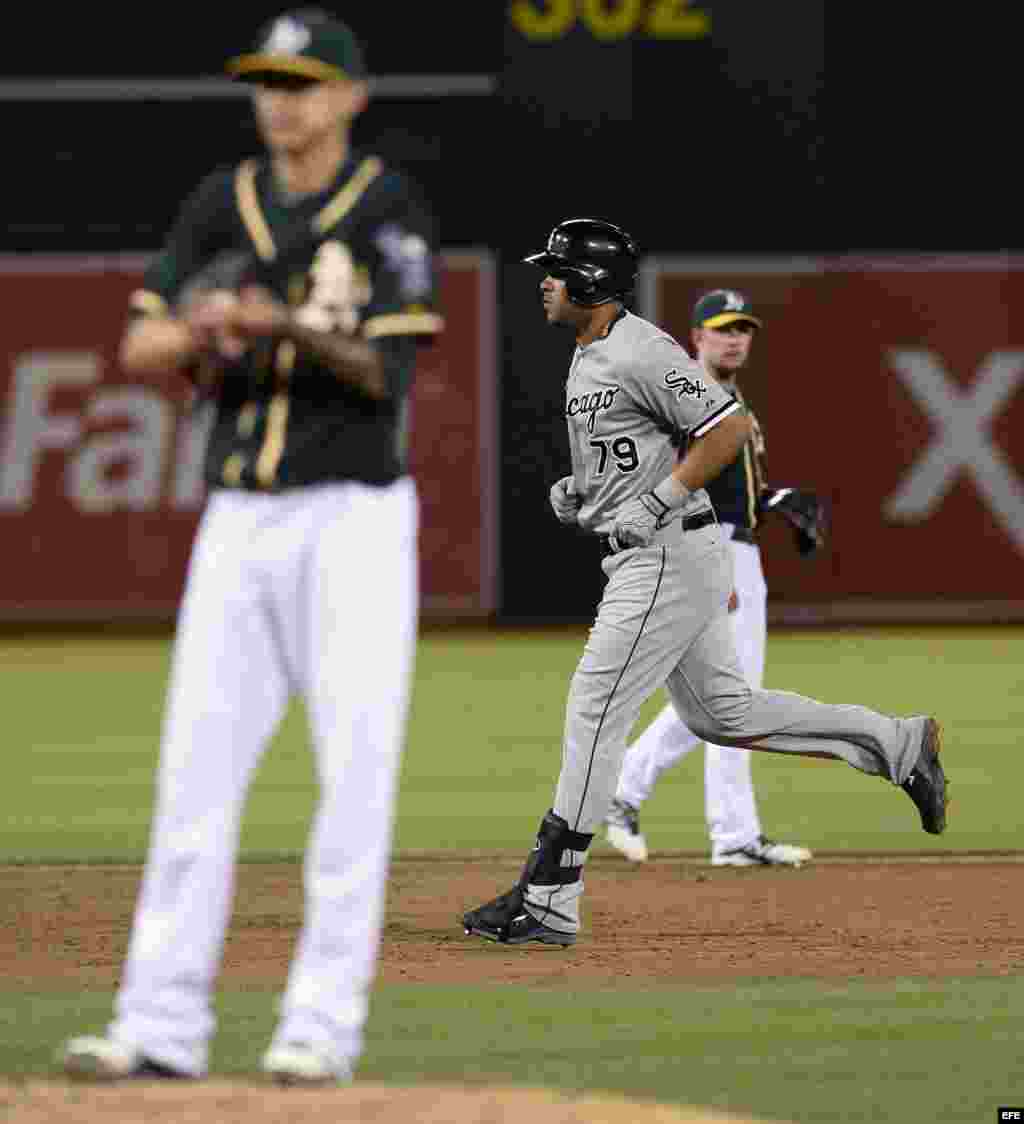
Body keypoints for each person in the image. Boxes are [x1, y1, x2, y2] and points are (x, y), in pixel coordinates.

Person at [61, 8, 442, 1085]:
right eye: (269, 80)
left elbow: (389, 373)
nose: (283, 100)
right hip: (236, 519)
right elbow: (139, 339)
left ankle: (319, 1028)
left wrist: (280, 324)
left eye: (305, 81)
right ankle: (160, 1024)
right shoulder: (217, 202)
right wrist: (207, 324)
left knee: (351, 785)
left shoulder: (387, 208)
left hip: (353, 522)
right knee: (192, 782)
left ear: (350, 97)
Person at [461, 218, 946, 948]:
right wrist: (582, 493)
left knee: (595, 708)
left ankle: (550, 895)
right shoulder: (591, 353)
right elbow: (629, 456)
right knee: (722, 713)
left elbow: (727, 427)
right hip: (660, 555)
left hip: (665, 554)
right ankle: (897, 743)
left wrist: (654, 500)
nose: (545, 280)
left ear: (590, 281)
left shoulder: (641, 348)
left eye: (556, 270)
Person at [605, 289, 820, 868]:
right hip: (711, 550)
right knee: (732, 700)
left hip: (737, 548)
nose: (734, 338)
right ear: (696, 337)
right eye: (722, 329)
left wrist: (775, 500)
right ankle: (726, 833)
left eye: (743, 329)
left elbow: (730, 486)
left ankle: (632, 793)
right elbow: (671, 484)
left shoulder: (729, 399)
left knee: (726, 700)